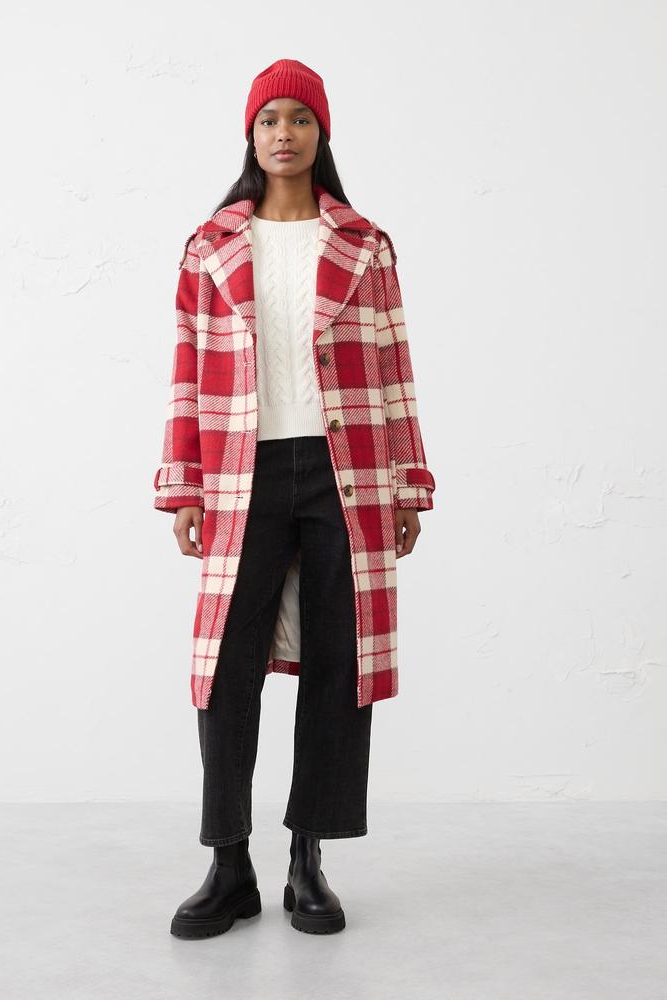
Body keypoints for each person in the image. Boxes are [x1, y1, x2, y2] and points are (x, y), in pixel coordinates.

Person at [153, 59, 436, 938]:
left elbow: (392, 366)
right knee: (224, 666)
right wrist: (184, 481)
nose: (285, 133)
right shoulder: (209, 246)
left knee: (339, 661)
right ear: (251, 134)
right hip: (241, 470)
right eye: (270, 119)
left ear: (321, 133)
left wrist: (408, 479)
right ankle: (227, 863)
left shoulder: (364, 244)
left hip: (346, 469)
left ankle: (308, 857)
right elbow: (187, 374)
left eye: (300, 119)